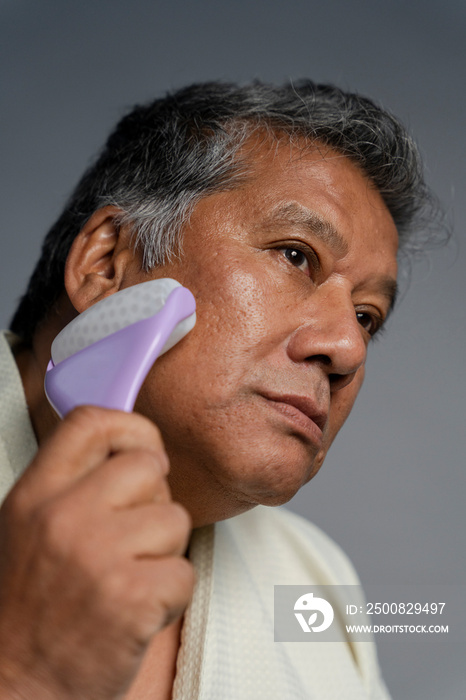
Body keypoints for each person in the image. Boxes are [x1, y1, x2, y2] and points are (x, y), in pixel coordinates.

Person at [0, 80, 439, 699]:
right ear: (106, 265)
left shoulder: (317, 588)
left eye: (367, 317)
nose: (348, 348)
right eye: (295, 255)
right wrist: (26, 675)